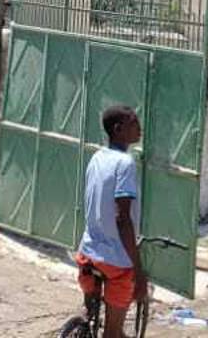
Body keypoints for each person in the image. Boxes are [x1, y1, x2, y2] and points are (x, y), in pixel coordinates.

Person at [75, 106, 145, 338]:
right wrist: (138, 270)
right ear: (118, 129)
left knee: (91, 316)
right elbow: (122, 218)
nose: (139, 127)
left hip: (88, 253)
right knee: (113, 333)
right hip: (116, 262)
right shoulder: (125, 163)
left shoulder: (97, 157)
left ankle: (84, 322)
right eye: (134, 123)